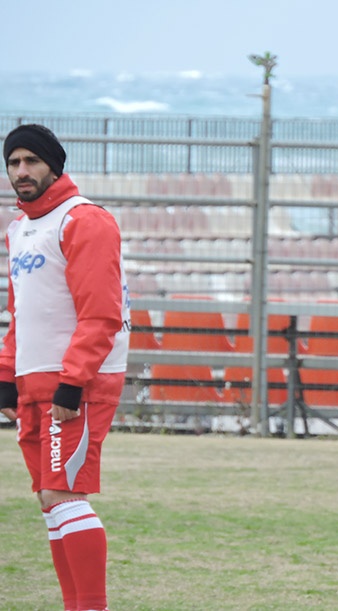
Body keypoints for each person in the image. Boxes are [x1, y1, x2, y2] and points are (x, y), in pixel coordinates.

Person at [0, 124, 130, 611]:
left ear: (54, 165)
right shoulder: (19, 229)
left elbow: (101, 314)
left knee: (64, 494)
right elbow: (22, 314)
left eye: (31, 161)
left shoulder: (84, 220)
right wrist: (6, 378)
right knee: (49, 501)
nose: (21, 171)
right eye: (13, 162)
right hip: (34, 382)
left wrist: (72, 384)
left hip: (74, 384)